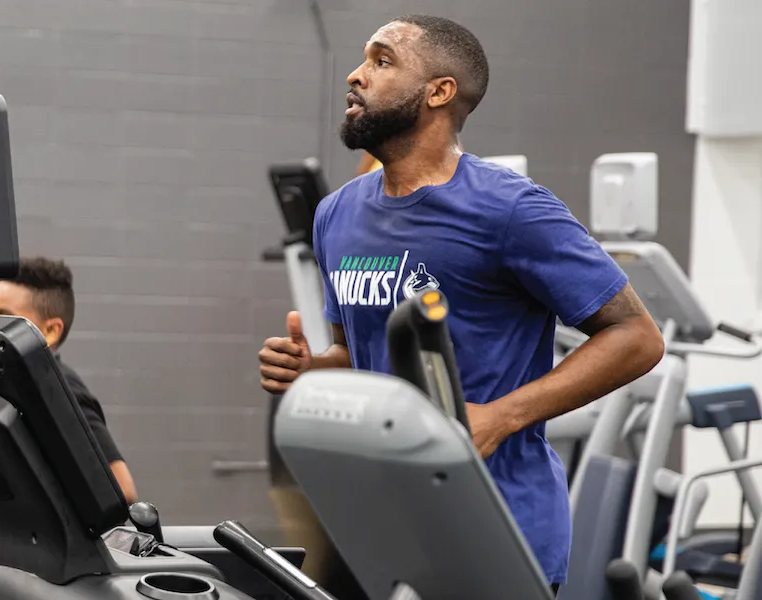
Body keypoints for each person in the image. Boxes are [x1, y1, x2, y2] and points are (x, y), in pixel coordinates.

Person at [258, 15, 664, 594]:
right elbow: (359, 353)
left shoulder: (512, 211)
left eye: (381, 60)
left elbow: (637, 337)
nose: (355, 74)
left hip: (499, 525)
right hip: (387, 530)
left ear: (440, 92)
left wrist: (502, 416)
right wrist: (312, 369)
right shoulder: (337, 214)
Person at [0, 256, 138, 519]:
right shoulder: (15, 384)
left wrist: (9, 506)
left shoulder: (63, 389)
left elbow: (121, 489)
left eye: (2, 317)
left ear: (51, 331)